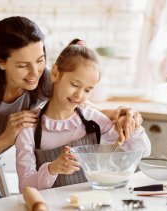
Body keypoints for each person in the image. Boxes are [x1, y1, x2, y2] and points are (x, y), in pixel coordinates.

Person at [0, 16, 142, 204]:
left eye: (40, 60)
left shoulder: (42, 78)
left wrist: (124, 114)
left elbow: (80, 104)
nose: (34, 72)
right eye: (22, 65)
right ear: (0, 61)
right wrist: (6, 138)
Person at [15, 39, 151, 192]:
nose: (79, 95)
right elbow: (24, 187)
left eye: (87, 90)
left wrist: (131, 126)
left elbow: (142, 150)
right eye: (74, 84)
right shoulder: (29, 129)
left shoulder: (93, 120)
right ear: (54, 74)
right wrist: (51, 169)